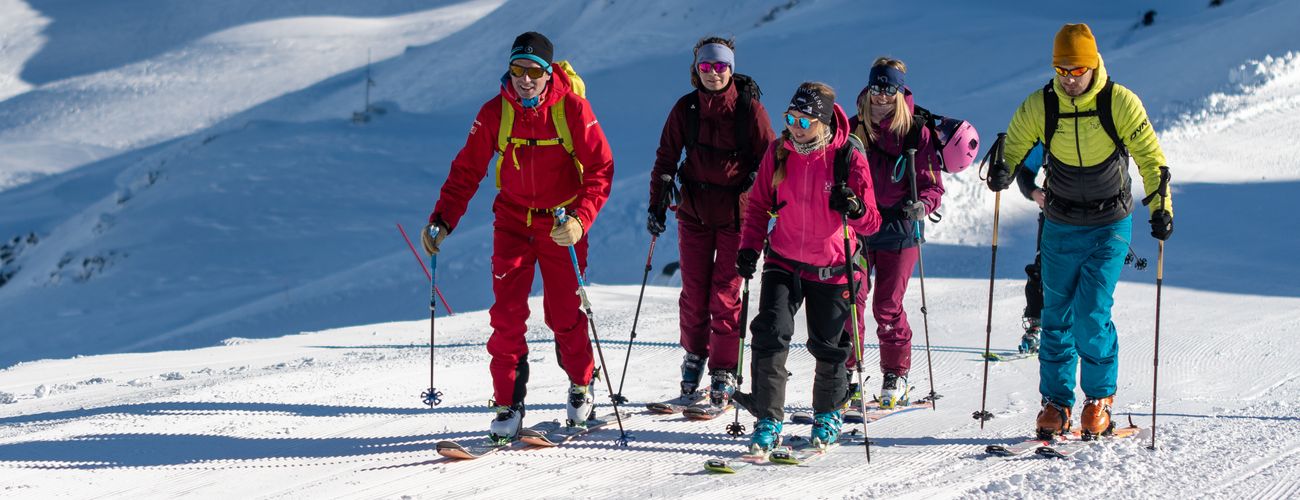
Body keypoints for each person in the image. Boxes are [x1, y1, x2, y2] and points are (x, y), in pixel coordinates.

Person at [421, 32, 615, 442]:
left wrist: (580, 219)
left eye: (534, 71)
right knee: (506, 317)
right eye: (517, 70)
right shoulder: (495, 112)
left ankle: (582, 386)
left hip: (562, 224)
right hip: (512, 222)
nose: (524, 80)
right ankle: (508, 404)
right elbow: (466, 171)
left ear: (549, 73)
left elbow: (601, 170)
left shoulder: (572, 110)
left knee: (564, 314)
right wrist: (443, 219)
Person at [987, 23, 1173, 440]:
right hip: (1060, 222)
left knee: (1090, 312)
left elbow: (1151, 159)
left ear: (1093, 65)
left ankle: (1100, 398)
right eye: (1062, 70)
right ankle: (1056, 402)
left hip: (1110, 223)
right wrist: (1004, 169)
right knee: (1055, 316)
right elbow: (1014, 143)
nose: (1069, 79)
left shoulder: (1119, 102)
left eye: (1077, 70)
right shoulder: (1042, 104)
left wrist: (1161, 209)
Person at [736, 82, 881, 452]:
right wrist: (749, 247)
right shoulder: (779, 151)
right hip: (783, 261)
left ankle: (827, 414)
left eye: (804, 120)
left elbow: (872, 223)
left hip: (832, 265)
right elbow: (756, 208)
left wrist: (855, 208)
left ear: (824, 120)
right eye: (790, 118)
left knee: (829, 344)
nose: (796, 127)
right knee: (770, 335)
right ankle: (768, 419)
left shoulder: (848, 156)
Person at [647, 36, 775, 409]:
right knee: (693, 291)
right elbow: (666, 157)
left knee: (724, 294)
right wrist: (657, 203)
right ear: (696, 71)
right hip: (694, 213)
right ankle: (694, 354)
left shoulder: (750, 110)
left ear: (731, 70)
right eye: (706, 67)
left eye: (720, 67)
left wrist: (759, 187)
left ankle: (723, 367)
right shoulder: (685, 109)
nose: (714, 74)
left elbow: (771, 160)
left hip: (737, 216)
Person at [844, 57, 945, 409]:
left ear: (900, 91)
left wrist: (924, 206)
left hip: (900, 226)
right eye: (877, 87)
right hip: (859, 223)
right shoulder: (853, 128)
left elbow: (933, 186)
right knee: (850, 300)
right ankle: (847, 373)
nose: (882, 96)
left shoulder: (917, 133)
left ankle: (895, 373)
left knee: (886, 305)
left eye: (889, 89)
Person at [1014, 143, 1047, 355]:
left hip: (1090, 220)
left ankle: (1076, 333)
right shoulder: (1049, 137)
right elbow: (1024, 173)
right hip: (1053, 216)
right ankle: (1035, 327)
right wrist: (1035, 192)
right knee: (1040, 270)